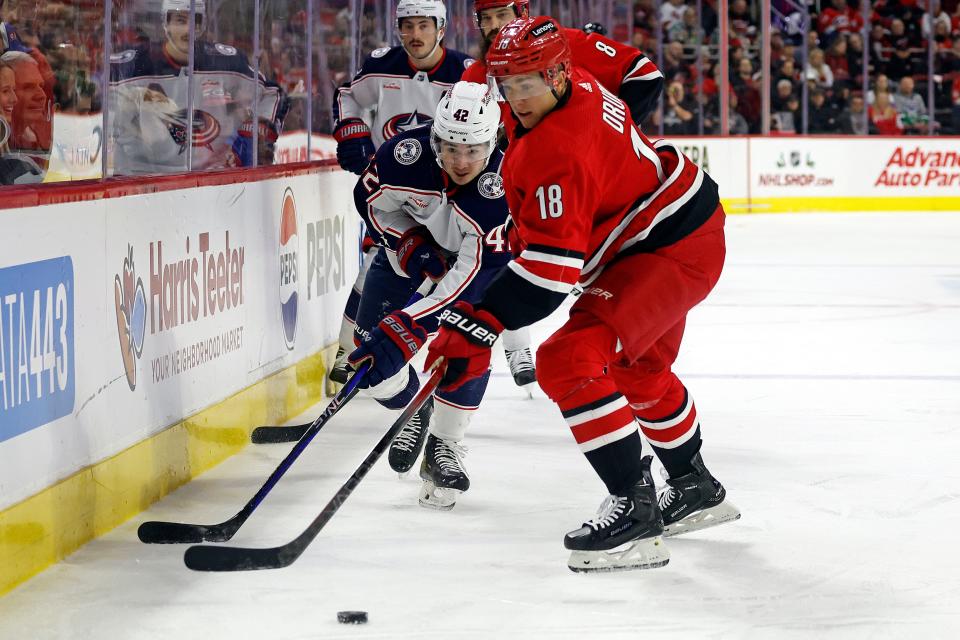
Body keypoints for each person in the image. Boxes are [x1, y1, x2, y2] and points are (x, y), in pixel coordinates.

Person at [425, 16, 740, 572]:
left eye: (527, 84)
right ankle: (694, 486)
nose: (516, 98)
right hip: (669, 230)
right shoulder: (574, 84)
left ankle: (634, 512)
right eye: (508, 85)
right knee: (636, 371)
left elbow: (550, 274)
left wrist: (479, 323)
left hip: (666, 248)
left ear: (557, 73)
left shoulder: (559, 148)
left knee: (568, 360)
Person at [346, 81, 511, 509]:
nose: (460, 161)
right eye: (451, 147)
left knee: (466, 345)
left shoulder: (505, 183)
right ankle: (412, 407)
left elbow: (471, 270)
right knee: (370, 354)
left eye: (473, 150)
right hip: (407, 258)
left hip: (478, 268)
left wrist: (415, 320)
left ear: (491, 142)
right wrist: (407, 240)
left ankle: (445, 444)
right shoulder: (404, 156)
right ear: (434, 137)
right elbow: (370, 203)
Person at [327, 0, 476, 387]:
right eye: (407, 26)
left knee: (455, 279)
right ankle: (349, 351)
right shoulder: (381, 65)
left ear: (440, 28)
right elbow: (348, 97)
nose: (414, 35)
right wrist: (351, 131)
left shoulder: (465, 74)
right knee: (375, 265)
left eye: (423, 25)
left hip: (448, 197)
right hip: (396, 193)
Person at [109, 0, 285, 175]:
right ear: (166, 23)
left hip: (209, 183)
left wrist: (257, 132)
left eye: (194, 21)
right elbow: (101, 106)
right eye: (180, 20)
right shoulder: (135, 65)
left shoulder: (226, 62)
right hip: (144, 181)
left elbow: (273, 94)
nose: (188, 30)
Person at [463, 0, 664, 128]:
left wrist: (617, 132)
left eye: (502, 15)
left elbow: (645, 75)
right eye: (486, 18)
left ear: (523, 13)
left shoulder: (561, 42)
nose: (495, 25)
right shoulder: (472, 76)